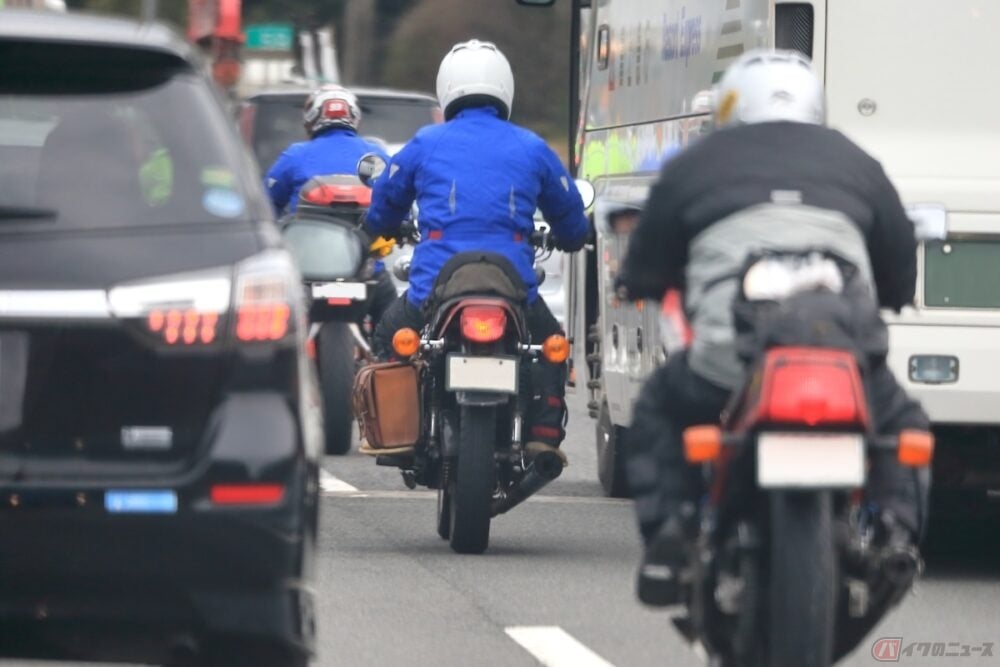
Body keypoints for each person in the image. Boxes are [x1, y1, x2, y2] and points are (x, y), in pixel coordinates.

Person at [615, 49, 930, 653]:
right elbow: (895, 272)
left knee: (657, 405)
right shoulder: (856, 161)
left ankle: (672, 537)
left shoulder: (696, 163)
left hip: (729, 364)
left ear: (732, 107)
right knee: (903, 424)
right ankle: (893, 531)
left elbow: (647, 266)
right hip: (841, 357)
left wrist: (641, 281)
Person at [364, 39, 589, 462]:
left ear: (447, 87)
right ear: (505, 87)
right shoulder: (532, 146)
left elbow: (384, 201)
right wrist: (572, 235)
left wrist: (379, 226)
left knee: (387, 334)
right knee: (550, 346)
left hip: (434, 286)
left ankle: (399, 429)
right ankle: (541, 435)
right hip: (513, 287)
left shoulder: (426, 142)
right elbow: (572, 219)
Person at [265, 85, 396, 326]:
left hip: (306, 271)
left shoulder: (295, 156)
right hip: (366, 268)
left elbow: (266, 205)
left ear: (312, 117)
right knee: (394, 327)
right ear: (354, 116)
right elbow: (397, 200)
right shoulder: (375, 155)